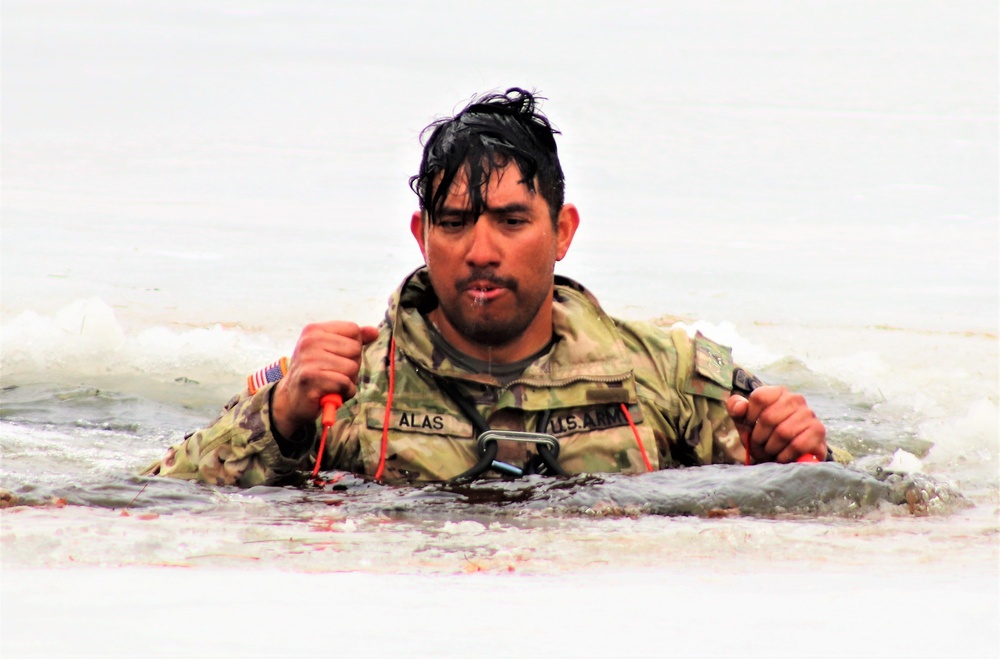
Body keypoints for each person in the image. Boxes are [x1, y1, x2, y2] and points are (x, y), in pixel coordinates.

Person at [144, 88, 833, 487]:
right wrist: (279, 417)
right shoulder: (337, 387)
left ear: (562, 231)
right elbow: (157, 491)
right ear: (421, 233)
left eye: (511, 221)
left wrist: (797, 454)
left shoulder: (665, 375)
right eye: (454, 222)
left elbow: (857, 497)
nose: (480, 251)